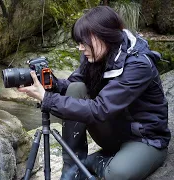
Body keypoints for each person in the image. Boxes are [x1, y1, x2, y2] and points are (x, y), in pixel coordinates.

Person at [18, 6, 171, 180]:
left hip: (144, 139)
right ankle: (72, 168)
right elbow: (71, 85)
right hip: (113, 132)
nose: (80, 48)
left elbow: (101, 109)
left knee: (117, 174)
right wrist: (49, 83)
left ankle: (94, 162)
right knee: (75, 89)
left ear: (104, 36)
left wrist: (47, 98)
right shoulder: (96, 56)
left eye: (84, 42)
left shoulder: (138, 64)